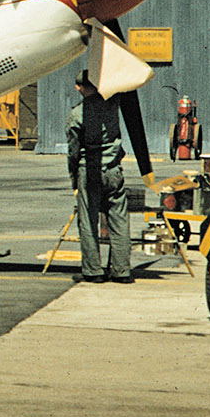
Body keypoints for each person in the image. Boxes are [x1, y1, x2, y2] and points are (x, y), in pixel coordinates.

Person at [65, 70, 132, 283]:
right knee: (119, 221)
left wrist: (73, 175)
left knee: (88, 220)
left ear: (81, 88)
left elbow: (73, 151)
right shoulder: (112, 105)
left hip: (89, 170)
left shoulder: (77, 114)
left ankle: (93, 271)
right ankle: (122, 271)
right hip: (114, 170)